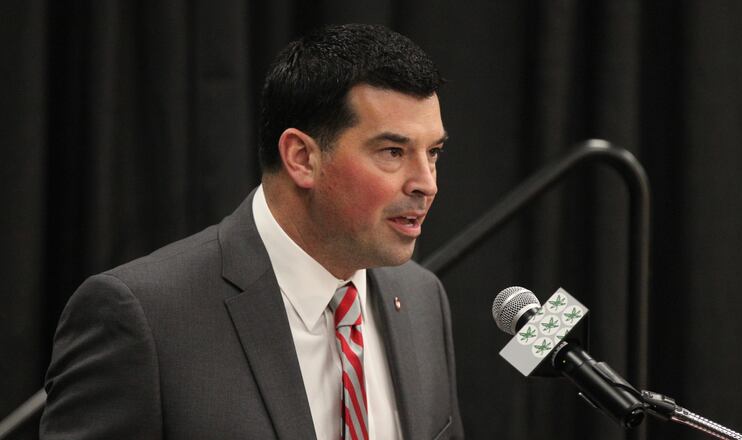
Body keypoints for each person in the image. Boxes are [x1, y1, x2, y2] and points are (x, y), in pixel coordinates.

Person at [40, 23, 463, 439]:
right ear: (301, 158)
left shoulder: (422, 296)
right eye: (393, 152)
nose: (426, 183)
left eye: (433, 153)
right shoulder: (142, 317)